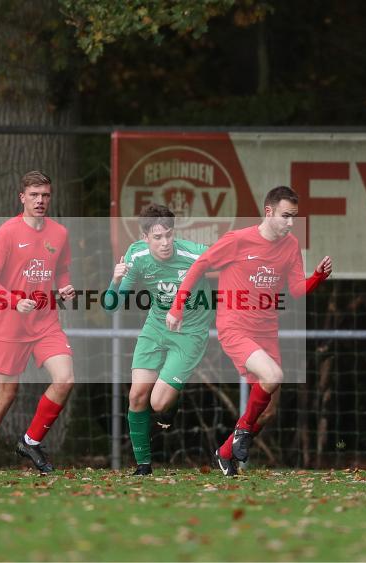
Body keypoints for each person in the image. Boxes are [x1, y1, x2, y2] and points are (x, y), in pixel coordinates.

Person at [166, 186, 332, 476]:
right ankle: (241, 432)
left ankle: (226, 451)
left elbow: (295, 290)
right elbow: (199, 267)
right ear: (268, 212)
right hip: (235, 327)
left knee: (269, 411)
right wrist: (177, 307)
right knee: (274, 376)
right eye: (285, 216)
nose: (291, 223)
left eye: (294, 217)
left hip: (267, 332)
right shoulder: (238, 240)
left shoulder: (290, 245)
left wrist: (317, 277)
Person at [0, 171, 76, 474]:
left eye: (45, 195)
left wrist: (65, 288)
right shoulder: (7, 233)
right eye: (35, 195)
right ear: (22, 198)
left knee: (65, 379)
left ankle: (31, 441)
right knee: (6, 394)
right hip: (10, 325)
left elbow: (62, 271)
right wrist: (15, 300)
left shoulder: (59, 234)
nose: (41, 201)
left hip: (46, 321)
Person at [106, 204, 214, 475]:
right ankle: (143, 465)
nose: (165, 243)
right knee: (137, 395)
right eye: (158, 237)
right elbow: (112, 306)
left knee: (158, 403)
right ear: (145, 238)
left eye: (169, 235)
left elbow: (232, 260)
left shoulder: (194, 253)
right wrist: (115, 281)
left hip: (190, 331)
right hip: (156, 326)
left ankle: (171, 404)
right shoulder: (136, 256)